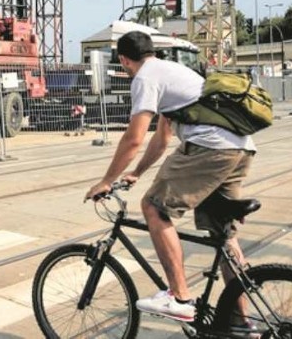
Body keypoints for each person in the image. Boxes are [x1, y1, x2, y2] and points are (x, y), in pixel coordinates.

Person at [85, 31, 257, 326]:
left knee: (153, 207)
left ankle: (179, 298)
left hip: (210, 148)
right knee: (223, 234)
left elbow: (134, 139)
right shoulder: (175, 71)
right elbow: (162, 139)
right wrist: (136, 173)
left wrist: (106, 180)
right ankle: (243, 324)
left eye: (123, 64)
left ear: (124, 60)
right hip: (240, 149)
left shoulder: (144, 78)